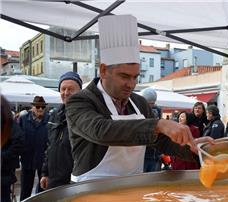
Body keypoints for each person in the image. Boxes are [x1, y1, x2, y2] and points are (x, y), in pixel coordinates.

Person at [65, 15, 211, 182]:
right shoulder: (80, 101)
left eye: (136, 77)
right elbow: (101, 130)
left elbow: (161, 141)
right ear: (104, 70)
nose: (131, 84)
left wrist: (192, 148)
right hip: (90, 189)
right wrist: (158, 124)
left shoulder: (139, 102)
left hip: (132, 187)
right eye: (124, 76)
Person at [40, 72, 82, 190]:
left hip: (73, 181)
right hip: (53, 180)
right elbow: (50, 146)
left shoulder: (85, 115)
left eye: (71, 89)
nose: (66, 93)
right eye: (63, 89)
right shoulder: (55, 115)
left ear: (80, 92)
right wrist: (45, 173)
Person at [19, 96, 49, 200]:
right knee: (25, 190)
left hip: (43, 160)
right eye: (37, 106)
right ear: (32, 107)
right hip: (27, 159)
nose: (40, 109)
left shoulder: (49, 120)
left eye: (43, 107)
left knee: (43, 191)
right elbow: (17, 137)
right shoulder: (23, 119)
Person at [1, 96, 24, 202]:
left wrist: (2, 156)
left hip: (5, 171)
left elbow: (18, 143)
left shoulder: (11, 125)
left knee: (3, 200)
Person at [140, 87, 163, 172]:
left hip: (154, 154)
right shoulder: (138, 110)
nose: (151, 106)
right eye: (149, 103)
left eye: (152, 103)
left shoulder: (157, 111)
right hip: (145, 154)